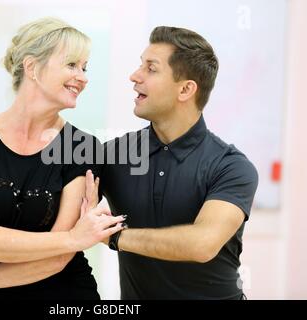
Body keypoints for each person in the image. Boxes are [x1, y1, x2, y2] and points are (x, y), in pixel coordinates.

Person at [0, 17, 125, 300]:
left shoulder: (84, 147)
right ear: (32, 68)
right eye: (72, 64)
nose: (84, 76)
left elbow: (58, 258)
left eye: (85, 67)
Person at [98, 26, 258, 299]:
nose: (134, 76)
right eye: (140, 65)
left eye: (151, 69)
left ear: (185, 89)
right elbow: (61, 222)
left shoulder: (231, 166)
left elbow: (201, 244)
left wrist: (115, 237)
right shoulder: (112, 154)